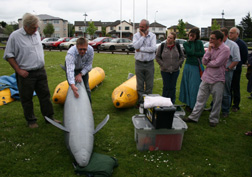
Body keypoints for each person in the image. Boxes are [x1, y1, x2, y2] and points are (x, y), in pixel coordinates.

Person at [3, 13, 61, 128]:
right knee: (27, 98)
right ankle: (31, 121)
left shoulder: (36, 34)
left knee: (45, 96)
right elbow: (9, 55)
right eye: (34, 27)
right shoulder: (15, 36)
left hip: (40, 71)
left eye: (37, 27)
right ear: (26, 26)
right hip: (26, 74)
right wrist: (19, 71)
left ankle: (49, 118)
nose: (36, 30)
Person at [183, 30, 230, 127]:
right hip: (206, 77)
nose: (210, 40)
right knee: (200, 98)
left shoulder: (225, 49)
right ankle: (193, 117)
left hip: (218, 79)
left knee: (217, 100)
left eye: (213, 39)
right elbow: (204, 61)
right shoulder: (211, 48)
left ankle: (213, 119)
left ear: (219, 40)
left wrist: (209, 63)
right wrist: (209, 51)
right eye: (210, 38)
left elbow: (218, 63)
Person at [179, 27, 205, 112]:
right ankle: (188, 103)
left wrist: (194, 47)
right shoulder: (186, 43)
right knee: (187, 85)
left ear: (196, 36)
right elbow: (189, 52)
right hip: (188, 66)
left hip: (196, 66)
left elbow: (202, 53)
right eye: (190, 36)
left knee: (195, 86)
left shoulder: (200, 42)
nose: (190, 38)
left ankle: (194, 104)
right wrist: (193, 45)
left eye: (193, 36)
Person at [155, 32, 184, 104]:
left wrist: (178, 64)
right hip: (165, 70)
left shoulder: (177, 46)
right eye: (168, 37)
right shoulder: (161, 46)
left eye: (171, 38)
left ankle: (172, 102)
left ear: (174, 39)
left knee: (172, 87)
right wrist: (162, 64)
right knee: (166, 87)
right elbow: (157, 57)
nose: (169, 39)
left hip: (175, 70)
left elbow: (182, 57)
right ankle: (164, 102)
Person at [132, 19, 156, 106]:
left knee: (149, 85)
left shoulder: (152, 36)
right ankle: (141, 103)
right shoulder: (136, 36)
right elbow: (135, 46)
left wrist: (141, 49)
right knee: (140, 84)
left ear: (147, 27)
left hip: (149, 63)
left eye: (142, 26)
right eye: (140, 26)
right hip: (139, 63)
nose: (140, 28)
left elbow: (153, 49)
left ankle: (148, 103)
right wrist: (142, 37)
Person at [65, 37, 94, 102]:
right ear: (76, 46)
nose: (82, 51)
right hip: (72, 67)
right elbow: (70, 70)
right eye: (80, 49)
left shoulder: (90, 50)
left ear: (87, 46)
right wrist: (72, 85)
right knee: (73, 86)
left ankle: (89, 106)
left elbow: (89, 65)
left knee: (87, 87)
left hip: (83, 67)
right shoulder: (71, 53)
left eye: (84, 49)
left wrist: (80, 74)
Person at [220, 28, 240, 118]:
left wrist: (228, 68)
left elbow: (236, 59)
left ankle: (225, 110)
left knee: (225, 91)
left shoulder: (233, 45)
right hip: (217, 71)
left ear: (226, 36)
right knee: (216, 90)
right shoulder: (218, 44)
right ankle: (214, 106)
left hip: (227, 71)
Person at [229, 27, 249, 112]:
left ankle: (236, 105)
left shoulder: (241, 44)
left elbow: (244, 58)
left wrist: (237, 64)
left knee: (235, 86)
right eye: (229, 32)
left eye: (232, 33)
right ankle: (228, 103)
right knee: (228, 87)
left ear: (237, 34)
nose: (230, 34)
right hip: (228, 68)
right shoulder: (228, 43)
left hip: (236, 69)